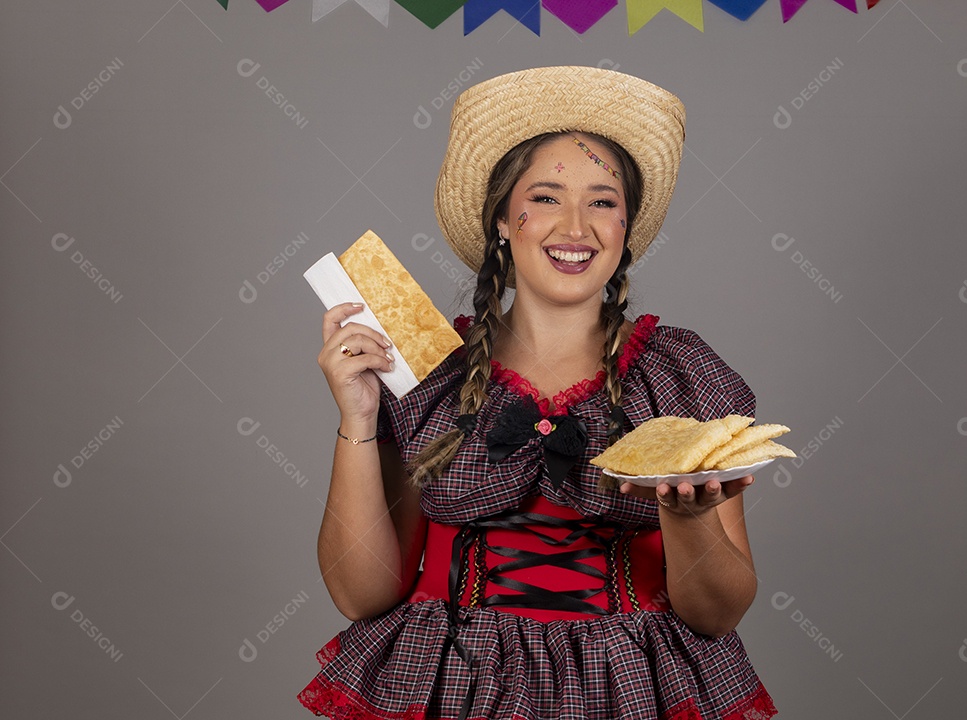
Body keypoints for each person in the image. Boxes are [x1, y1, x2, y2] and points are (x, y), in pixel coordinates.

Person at [299, 66, 777, 720]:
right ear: (502, 219)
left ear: (625, 225)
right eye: (546, 197)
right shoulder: (429, 374)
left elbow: (718, 614)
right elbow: (361, 596)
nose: (574, 226)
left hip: (632, 692)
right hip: (453, 691)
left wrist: (688, 517)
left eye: (603, 200)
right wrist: (358, 418)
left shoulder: (678, 374)